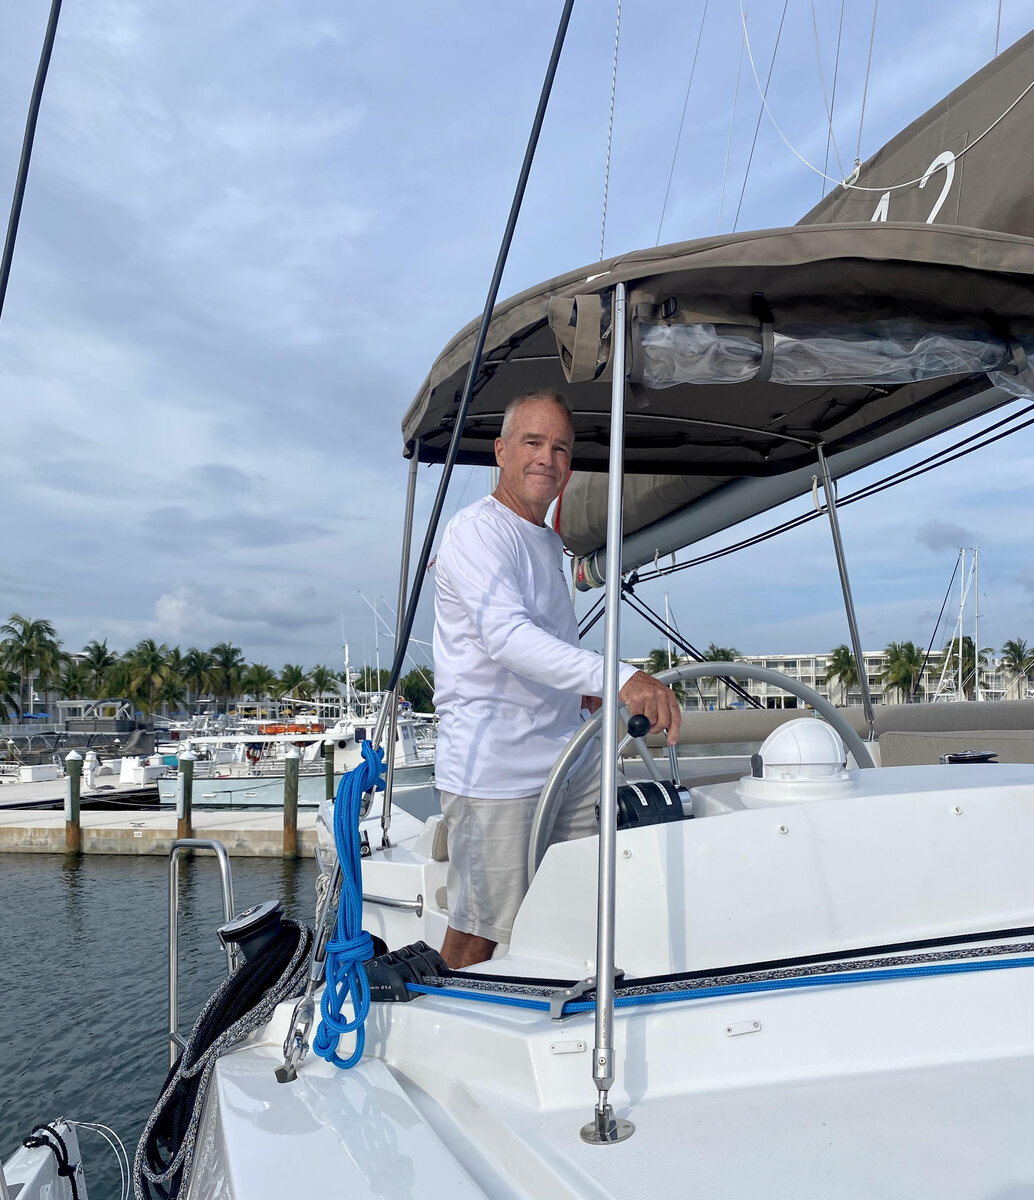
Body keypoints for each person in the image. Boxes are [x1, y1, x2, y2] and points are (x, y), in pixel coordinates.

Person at [432, 389, 681, 968]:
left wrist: (586, 687)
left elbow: (552, 645)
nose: (548, 458)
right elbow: (508, 638)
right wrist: (621, 676)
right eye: (533, 443)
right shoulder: (476, 533)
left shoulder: (546, 540)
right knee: (480, 931)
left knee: (583, 898)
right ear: (501, 451)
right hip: (496, 771)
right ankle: (452, 1030)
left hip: (566, 758)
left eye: (561, 448)